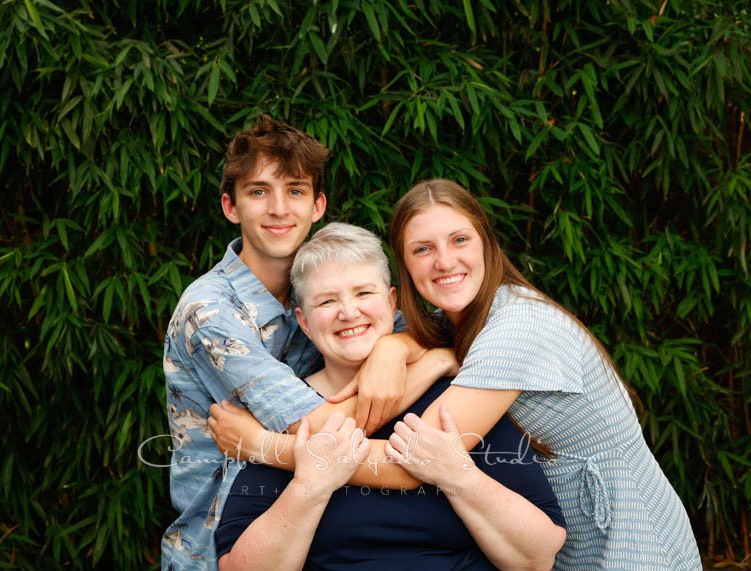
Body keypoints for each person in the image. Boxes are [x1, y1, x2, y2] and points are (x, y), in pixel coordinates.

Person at [162, 116, 436, 570]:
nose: (278, 209)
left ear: (317, 205)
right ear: (231, 207)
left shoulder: (325, 291)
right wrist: (428, 364)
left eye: (294, 190)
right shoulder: (210, 313)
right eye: (258, 192)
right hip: (218, 550)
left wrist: (399, 350)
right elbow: (329, 436)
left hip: (312, 543)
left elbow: (429, 337)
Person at [385, 179, 702, 570]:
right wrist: (393, 347)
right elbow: (418, 344)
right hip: (566, 541)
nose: (445, 261)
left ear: (486, 241)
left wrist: (294, 452)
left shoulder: (519, 327)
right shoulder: (460, 323)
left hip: (631, 536)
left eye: (460, 240)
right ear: (404, 262)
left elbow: (415, 455)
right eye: (423, 249)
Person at [212, 223, 567, 570]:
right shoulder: (287, 419)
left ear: (391, 300)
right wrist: (309, 486)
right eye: (327, 301)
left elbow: (537, 557)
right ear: (304, 322)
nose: (348, 312)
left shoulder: (456, 400)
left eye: (364, 293)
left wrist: (459, 476)